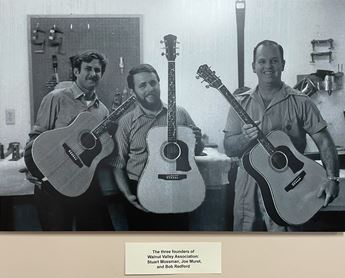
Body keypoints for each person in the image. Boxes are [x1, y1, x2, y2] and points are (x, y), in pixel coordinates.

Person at [223, 40, 339, 232]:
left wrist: (332, 179)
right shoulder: (239, 103)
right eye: (262, 61)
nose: (268, 66)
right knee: (245, 251)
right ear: (254, 67)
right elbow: (228, 147)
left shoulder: (302, 102)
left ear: (283, 64)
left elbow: (325, 142)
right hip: (247, 188)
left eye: (274, 61)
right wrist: (244, 137)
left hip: (288, 187)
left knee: (287, 250)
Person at [25, 50, 114, 231]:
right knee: (58, 243)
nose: (93, 74)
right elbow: (38, 136)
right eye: (87, 68)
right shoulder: (56, 97)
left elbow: (99, 150)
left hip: (83, 183)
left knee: (94, 240)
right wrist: (32, 166)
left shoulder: (103, 111)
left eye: (97, 70)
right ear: (76, 72)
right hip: (52, 183)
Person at [110, 63, 204, 231]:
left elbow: (195, 152)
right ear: (133, 92)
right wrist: (128, 195)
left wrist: (198, 140)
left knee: (176, 247)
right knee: (143, 249)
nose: (150, 89)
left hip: (176, 189)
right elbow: (118, 165)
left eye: (153, 83)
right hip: (140, 190)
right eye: (142, 85)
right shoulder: (126, 122)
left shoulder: (180, 114)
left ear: (159, 84)